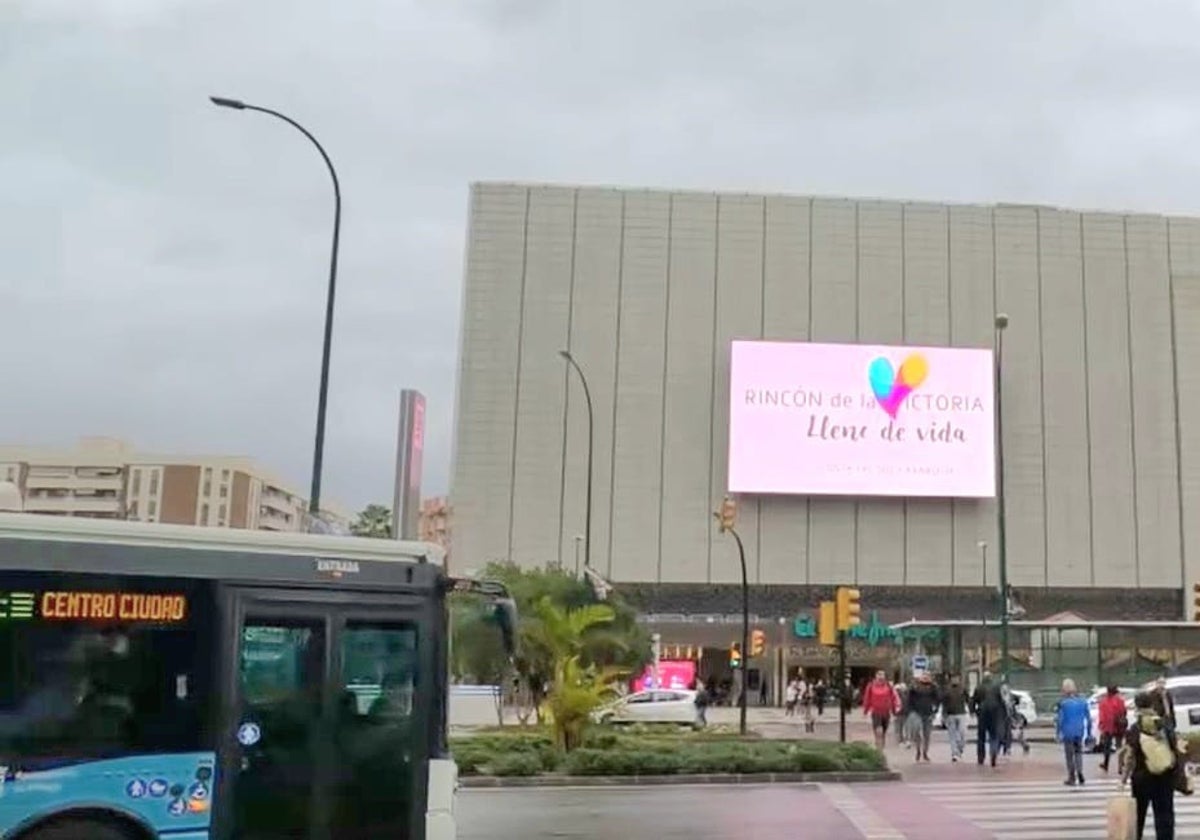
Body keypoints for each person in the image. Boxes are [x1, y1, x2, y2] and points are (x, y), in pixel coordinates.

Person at [1121, 690, 1176, 839]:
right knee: (1165, 817)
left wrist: (1124, 779)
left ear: (1137, 707)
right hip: (1164, 777)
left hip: (1141, 778)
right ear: (1152, 704)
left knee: (1138, 816)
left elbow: (1130, 756)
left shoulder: (1135, 728)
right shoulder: (1165, 724)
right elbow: (1175, 747)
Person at [1056, 678, 1091, 786]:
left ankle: (1071, 776)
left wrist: (1058, 732)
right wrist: (1089, 732)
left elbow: (1060, 719)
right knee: (1078, 753)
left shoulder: (1063, 703)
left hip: (1068, 732)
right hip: (1079, 731)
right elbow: (1088, 718)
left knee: (1069, 755)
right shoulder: (1083, 701)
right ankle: (1080, 771)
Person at [970, 672, 1004, 767]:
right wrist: (1002, 713)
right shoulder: (996, 687)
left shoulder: (979, 687)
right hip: (994, 713)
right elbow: (1001, 701)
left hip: (982, 713)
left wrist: (972, 711)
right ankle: (993, 752)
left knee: (981, 736)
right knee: (994, 735)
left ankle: (981, 757)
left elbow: (973, 700)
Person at [861, 670, 899, 751]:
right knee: (879, 731)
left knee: (883, 733)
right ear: (876, 676)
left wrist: (895, 710)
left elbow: (894, 698)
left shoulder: (889, 686)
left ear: (885, 676)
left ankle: (880, 746)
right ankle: (879, 750)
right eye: (879, 674)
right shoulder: (871, 686)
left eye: (882, 675)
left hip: (886, 713)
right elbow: (867, 698)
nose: (880, 676)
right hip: (876, 712)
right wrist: (865, 711)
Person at [906, 672, 940, 762]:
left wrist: (935, 710)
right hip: (917, 712)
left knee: (927, 734)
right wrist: (910, 710)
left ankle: (925, 752)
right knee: (917, 731)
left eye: (928, 676)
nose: (925, 677)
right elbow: (909, 698)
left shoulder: (933, 687)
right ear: (920, 677)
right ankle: (918, 750)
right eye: (924, 675)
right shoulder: (915, 686)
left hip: (928, 713)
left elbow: (937, 699)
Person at [1098, 685, 1129, 773]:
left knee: (1107, 747)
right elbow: (1124, 712)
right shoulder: (1120, 701)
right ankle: (1120, 765)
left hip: (1108, 727)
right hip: (1119, 726)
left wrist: (1101, 727)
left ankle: (1106, 764)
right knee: (1119, 746)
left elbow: (1102, 716)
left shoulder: (1103, 702)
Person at [941, 674, 969, 763]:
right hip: (951, 715)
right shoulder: (947, 690)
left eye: (956, 678)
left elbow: (968, 699)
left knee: (962, 733)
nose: (955, 680)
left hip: (961, 713)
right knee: (952, 735)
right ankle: (954, 753)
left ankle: (960, 747)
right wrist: (944, 714)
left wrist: (971, 709)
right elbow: (944, 703)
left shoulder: (963, 689)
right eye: (953, 679)